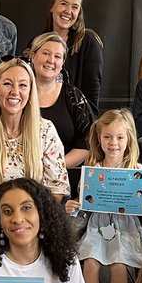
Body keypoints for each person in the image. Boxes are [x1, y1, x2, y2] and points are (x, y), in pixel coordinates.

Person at [66, 110, 142, 283]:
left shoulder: (135, 170)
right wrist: (73, 205)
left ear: (128, 140)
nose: (113, 143)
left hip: (126, 227)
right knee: (90, 263)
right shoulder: (93, 170)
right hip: (97, 226)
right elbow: (84, 202)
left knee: (119, 264)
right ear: (99, 139)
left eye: (119, 137)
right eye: (107, 137)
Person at [0, 58, 68, 216]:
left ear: (30, 91)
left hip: (34, 219)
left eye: (23, 85)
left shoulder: (46, 130)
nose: (15, 91)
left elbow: (57, 187)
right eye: (8, 83)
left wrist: (31, 220)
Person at [29, 31, 97, 193]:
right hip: (23, 175)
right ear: (32, 56)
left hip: (64, 178)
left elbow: (86, 143)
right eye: (45, 53)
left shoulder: (74, 97)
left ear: (63, 62)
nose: (51, 60)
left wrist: (52, 166)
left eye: (57, 56)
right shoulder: (19, 94)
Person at [45, 0, 104, 109]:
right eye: (64, 4)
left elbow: (92, 96)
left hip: (74, 122)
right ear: (52, 6)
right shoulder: (37, 43)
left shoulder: (88, 42)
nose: (68, 11)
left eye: (75, 7)